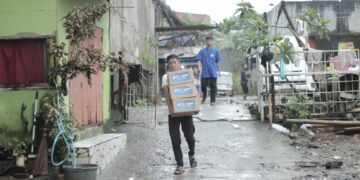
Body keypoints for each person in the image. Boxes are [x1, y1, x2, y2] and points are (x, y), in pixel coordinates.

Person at [162, 54, 197, 175]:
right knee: (175, 139)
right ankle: (179, 164)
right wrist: (171, 109)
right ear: (168, 65)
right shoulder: (166, 77)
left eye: (174, 62)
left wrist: (196, 108)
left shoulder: (186, 75)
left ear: (178, 63)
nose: (172, 65)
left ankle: (191, 154)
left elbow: (193, 91)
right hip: (173, 114)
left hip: (186, 111)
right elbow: (166, 94)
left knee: (190, 137)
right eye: (170, 63)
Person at [197, 36, 221, 105]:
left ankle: (212, 101)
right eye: (207, 40)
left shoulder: (216, 51)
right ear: (206, 42)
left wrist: (219, 72)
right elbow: (199, 60)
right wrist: (199, 68)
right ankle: (204, 96)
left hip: (213, 72)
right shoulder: (202, 51)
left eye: (210, 40)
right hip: (205, 73)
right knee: (203, 86)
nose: (209, 42)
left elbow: (218, 62)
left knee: (213, 87)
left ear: (212, 41)